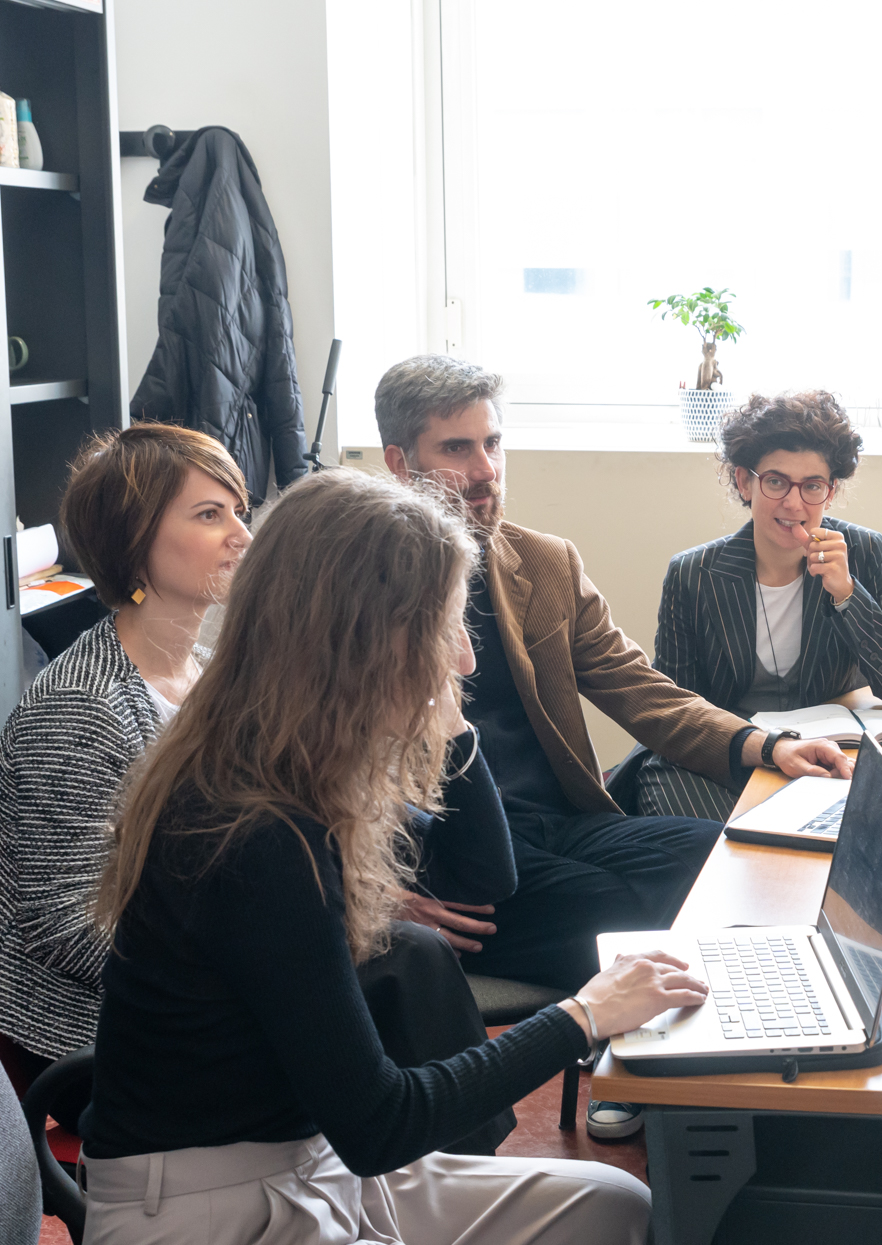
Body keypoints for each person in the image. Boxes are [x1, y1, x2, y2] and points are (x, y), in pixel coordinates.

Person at [80, 467, 709, 1244]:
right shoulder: (251, 833)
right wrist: (585, 1014)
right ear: (366, 642)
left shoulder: (296, 760)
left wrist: (450, 729)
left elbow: (491, 874)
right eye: (447, 628)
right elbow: (381, 1121)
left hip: (306, 1158)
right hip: (211, 1202)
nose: (467, 662)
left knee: (618, 1202)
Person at [0, 425, 513, 1154]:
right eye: (210, 515)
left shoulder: (209, 670)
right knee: (409, 965)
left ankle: (448, 1179)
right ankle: (448, 1182)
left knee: (410, 954)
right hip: (122, 1034)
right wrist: (281, 940)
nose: (243, 534)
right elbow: (63, 926)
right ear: (132, 538)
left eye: (239, 510)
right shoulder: (80, 706)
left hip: (229, 980)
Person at [375, 355, 849, 1137]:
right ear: (399, 462)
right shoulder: (356, 583)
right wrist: (364, 893)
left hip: (562, 819)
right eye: (455, 449)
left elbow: (640, 687)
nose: (485, 469)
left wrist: (765, 745)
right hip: (452, 859)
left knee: (731, 865)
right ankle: (661, 1079)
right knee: (626, 918)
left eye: (493, 443)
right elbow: (296, 757)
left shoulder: (542, 562)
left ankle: (730, 1080)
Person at [608, 390, 882, 821]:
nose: (794, 503)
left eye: (812, 486)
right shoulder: (693, 575)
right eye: (776, 481)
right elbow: (674, 713)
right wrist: (758, 750)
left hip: (826, 757)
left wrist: (847, 592)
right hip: (725, 762)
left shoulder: (862, 552)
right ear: (745, 482)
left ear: (829, 493)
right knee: (717, 847)